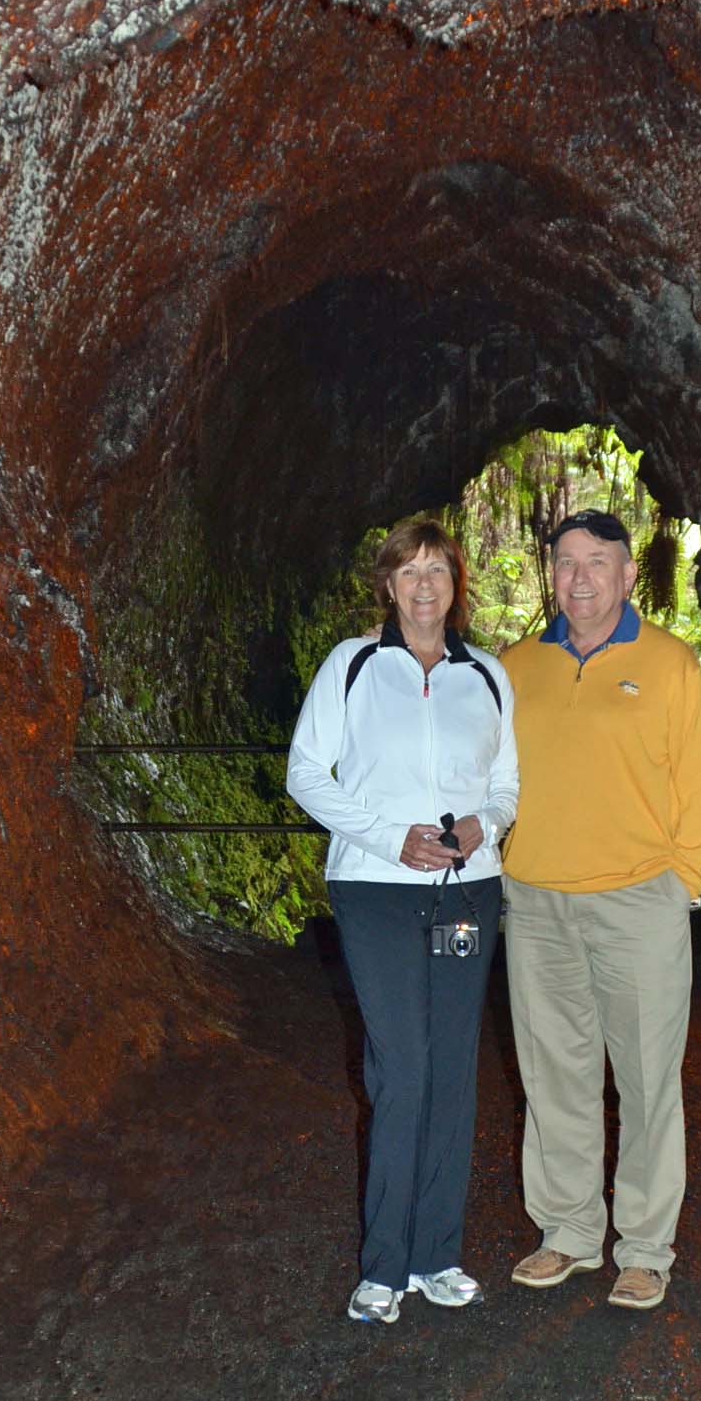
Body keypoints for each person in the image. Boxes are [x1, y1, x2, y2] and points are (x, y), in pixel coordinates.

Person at [500, 510, 701, 1312]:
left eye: (598, 562)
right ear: (552, 576)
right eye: (566, 563)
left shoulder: (669, 665)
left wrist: (678, 880)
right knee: (554, 1076)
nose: (581, 578)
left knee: (645, 1080)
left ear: (629, 574)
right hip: (535, 906)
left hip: (638, 903)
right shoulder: (515, 667)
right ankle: (566, 1232)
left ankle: (642, 1248)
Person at [287, 517, 519, 1325]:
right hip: (377, 892)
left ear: (457, 587)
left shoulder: (486, 676)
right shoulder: (352, 667)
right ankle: (383, 1265)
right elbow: (306, 773)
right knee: (404, 1065)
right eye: (409, 572)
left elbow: (507, 787)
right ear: (387, 585)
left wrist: (477, 830)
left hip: (464, 894)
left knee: (454, 1067)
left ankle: (437, 1256)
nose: (425, 586)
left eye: (439, 572)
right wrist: (391, 837)